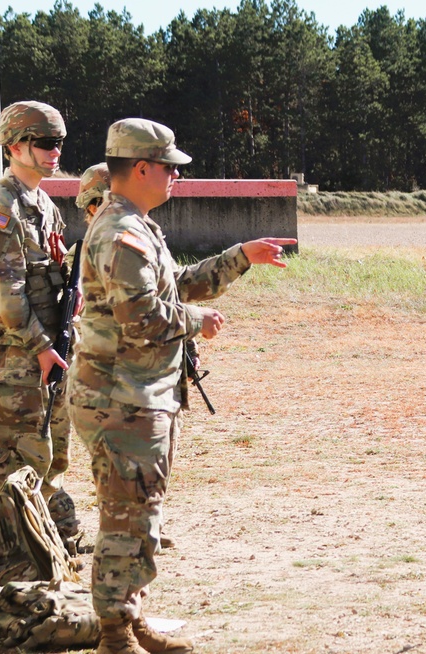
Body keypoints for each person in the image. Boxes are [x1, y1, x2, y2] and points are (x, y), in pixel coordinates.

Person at [69, 117, 297, 654]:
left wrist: (241, 256)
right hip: (119, 401)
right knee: (126, 518)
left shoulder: (137, 224)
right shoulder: (122, 232)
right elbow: (143, 318)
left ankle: (130, 616)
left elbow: (179, 283)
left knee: (140, 513)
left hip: (139, 396)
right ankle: (114, 635)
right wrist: (197, 322)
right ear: (141, 168)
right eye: (168, 167)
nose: (175, 176)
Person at [0, 100, 80, 537]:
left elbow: (51, 273)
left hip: (50, 348)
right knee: (17, 457)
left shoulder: (43, 203)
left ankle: (42, 545)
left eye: (59, 143)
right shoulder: (0, 205)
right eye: (46, 143)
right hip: (21, 353)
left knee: (53, 452)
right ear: (15, 146)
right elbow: (6, 292)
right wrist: (41, 348)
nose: (56, 151)